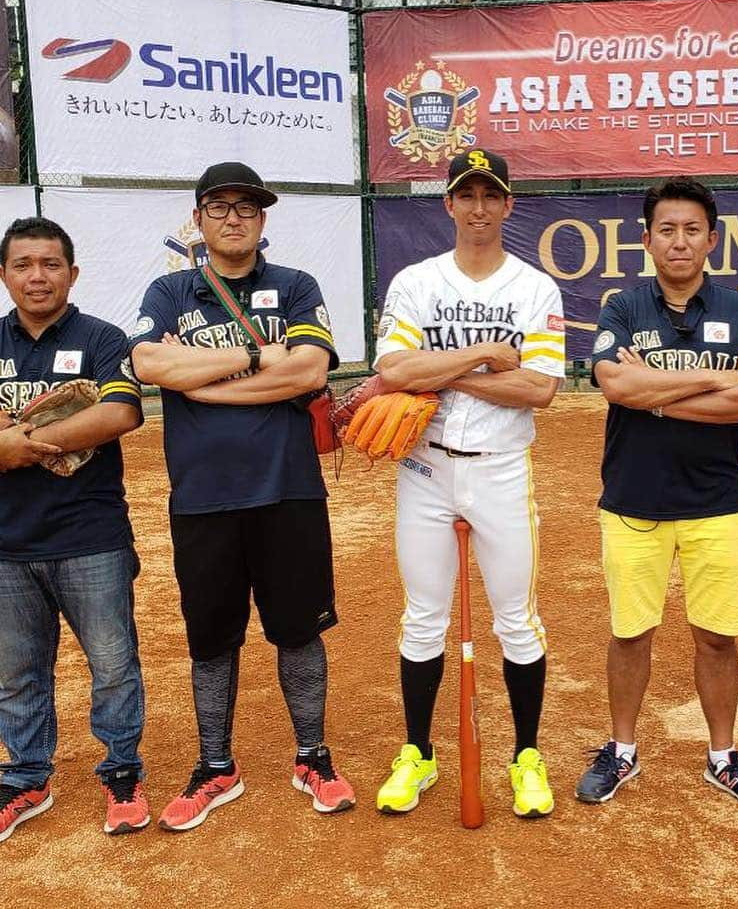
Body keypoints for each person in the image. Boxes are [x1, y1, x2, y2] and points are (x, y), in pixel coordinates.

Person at [129, 161, 354, 832]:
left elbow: (310, 367)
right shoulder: (170, 291)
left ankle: (312, 755)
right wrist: (260, 361)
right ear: (198, 218)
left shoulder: (294, 286)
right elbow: (149, 364)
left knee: (299, 630)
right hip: (202, 495)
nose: (234, 217)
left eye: (247, 208)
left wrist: (205, 380)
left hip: (287, 489)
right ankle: (215, 765)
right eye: (220, 207)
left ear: (262, 220)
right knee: (211, 637)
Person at [575, 177, 738, 810]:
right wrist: (707, 381)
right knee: (630, 633)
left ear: (712, 239)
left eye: (692, 229)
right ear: (646, 239)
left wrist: (657, 394)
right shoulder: (622, 308)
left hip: (717, 503)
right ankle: (622, 751)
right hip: (632, 500)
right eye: (666, 229)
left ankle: (721, 756)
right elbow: (614, 387)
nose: (680, 241)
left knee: (717, 637)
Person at [373, 147, 564, 818]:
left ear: (508, 204)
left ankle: (527, 756)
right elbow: (394, 370)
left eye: (491, 194)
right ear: (448, 204)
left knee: (518, 620)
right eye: (466, 194)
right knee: (422, 618)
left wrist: (436, 367)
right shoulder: (416, 281)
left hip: (501, 470)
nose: (478, 206)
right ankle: (417, 753)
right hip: (424, 467)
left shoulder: (535, 287)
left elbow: (538, 387)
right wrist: (482, 357)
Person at [0, 217, 146, 843]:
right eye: (24, 264)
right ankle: (28, 776)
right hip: (6, 543)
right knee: (15, 673)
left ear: (73, 274)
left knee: (113, 666)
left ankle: (122, 772)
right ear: (5, 275)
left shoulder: (100, 337)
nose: (38, 276)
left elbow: (118, 413)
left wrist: (17, 442)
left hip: (90, 536)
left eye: (52, 264)